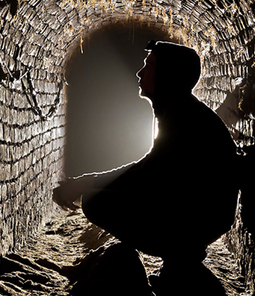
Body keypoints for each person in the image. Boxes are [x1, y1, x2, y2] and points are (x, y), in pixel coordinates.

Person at [53, 40, 241, 268]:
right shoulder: (179, 109)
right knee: (100, 194)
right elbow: (149, 167)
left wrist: (87, 184)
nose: (140, 72)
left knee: (96, 202)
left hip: (199, 219)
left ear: (168, 74)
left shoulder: (181, 117)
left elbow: (148, 175)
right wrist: (89, 182)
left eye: (149, 66)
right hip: (202, 214)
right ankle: (182, 249)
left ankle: (181, 249)